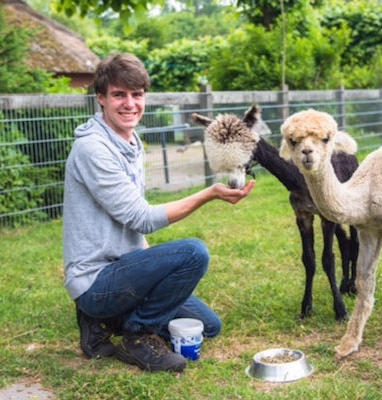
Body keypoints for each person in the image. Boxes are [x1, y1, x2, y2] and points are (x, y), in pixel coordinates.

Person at [62, 53, 255, 373]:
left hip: (123, 268)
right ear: (101, 98)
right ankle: (135, 336)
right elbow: (143, 218)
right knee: (194, 253)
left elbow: (128, 217)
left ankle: (109, 320)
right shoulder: (93, 149)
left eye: (136, 95)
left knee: (207, 326)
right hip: (96, 280)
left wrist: (150, 265)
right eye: (118, 95)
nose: (129, 103)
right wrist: (210, 193)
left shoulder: (130, 141)